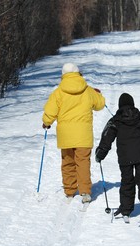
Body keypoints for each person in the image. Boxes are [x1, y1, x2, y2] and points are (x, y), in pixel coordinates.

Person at [42, 63, 105, 204]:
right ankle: (85, 192)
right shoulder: (87, 90)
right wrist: (98, 94)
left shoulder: (58, 92)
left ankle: (70, 191)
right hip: (83, 135)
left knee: (68, 163)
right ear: (78, 73)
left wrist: (46, 122)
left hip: (66, 136)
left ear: (63, 75)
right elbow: (100, 105)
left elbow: (50, 112)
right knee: (83, 163)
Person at [95, 93, 140, 218]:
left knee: (127, 181)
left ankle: (126, 209)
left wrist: (100, 153)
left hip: (125, 158)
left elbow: (106, 137)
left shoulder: (115, 120)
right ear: (132, 104)